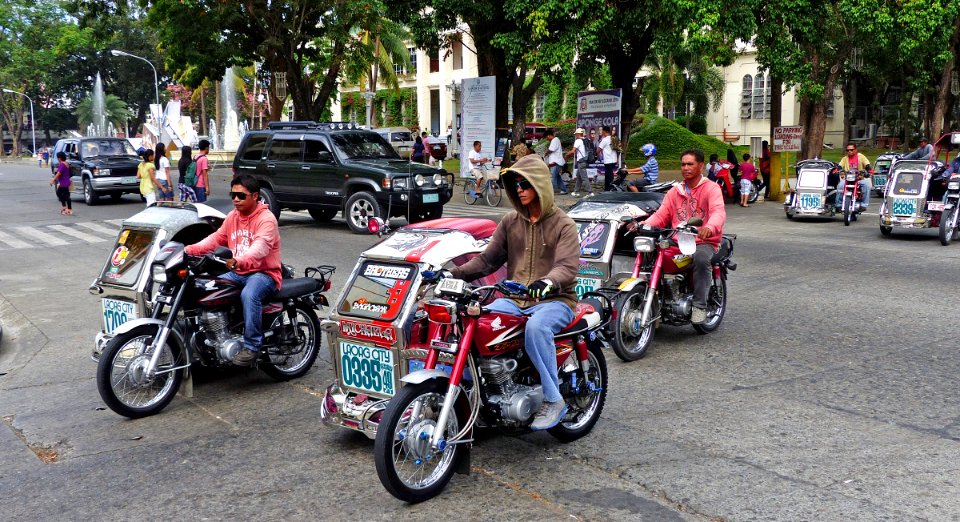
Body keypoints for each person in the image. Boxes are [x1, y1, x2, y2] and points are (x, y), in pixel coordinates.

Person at [449, 155, 579, 430]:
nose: (518, 188)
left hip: (555, 300)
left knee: (536, 329)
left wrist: (548, 282)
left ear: (541, 185)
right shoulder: (510, 221)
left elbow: (567, 266)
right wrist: (452, 273)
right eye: (514, 183)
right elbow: (486, 261)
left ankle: (553, 399)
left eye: (524, 183)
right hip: (514, 300)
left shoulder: (563, 224)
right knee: (477, 322)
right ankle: (481, 392)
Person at [184, 174, 282, 365]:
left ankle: (252, 346)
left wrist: (240, 260)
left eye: (241, 195)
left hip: (264, 273)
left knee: (249, 295)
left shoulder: (266, 219)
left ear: (254, 196)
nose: (236, 199)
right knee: (206, 288)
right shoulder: (233, 217)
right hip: (238, 272)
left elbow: (260, 247)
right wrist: (188, 249)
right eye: (233, 195)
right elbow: (215, 239)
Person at [641, 150, 725, 324]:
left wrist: (709, 227)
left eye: (690, 164)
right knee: (652, 254)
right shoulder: (674, 191)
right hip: (677, 239)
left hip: (703, 240)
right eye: (683, 164)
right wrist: (644, 225)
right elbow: (661, 214)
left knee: (701, 260)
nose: (685, 168)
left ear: (701, 166)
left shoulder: (711, 188)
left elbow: (718, 212)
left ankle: (700, 306)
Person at [836, 142, 872, 211]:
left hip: (859, 178)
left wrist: (868, 171)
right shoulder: (844, 159)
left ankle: (863, 205)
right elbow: (840, 166)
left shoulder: (861, 157)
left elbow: (867, 165)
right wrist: (840, 170)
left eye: (851, 150)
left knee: (867, 185)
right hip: (848, 178)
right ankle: (839, 204)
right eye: (848, 150)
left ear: (856, 150)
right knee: (840, 186)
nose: (849, 151)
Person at [565, 128, 592, 197]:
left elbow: (573, 151)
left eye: (576, 134)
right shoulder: (587, 140)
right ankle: (575, 191)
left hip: (581, 161)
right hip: (585, 160)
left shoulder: (578, 141)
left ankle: (590, 192)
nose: (575, 135)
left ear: (578, 134)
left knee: (584, 177)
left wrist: (567, 154)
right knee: (579, 177)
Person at [543, 129, 567, 194]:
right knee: (557, 176)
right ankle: (564, 189)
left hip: (556, 162)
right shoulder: (556, 140)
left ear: (548, 136)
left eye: (546, 138)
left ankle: (553, 190)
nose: (547, 139)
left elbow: (551, 149)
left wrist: (546, 153)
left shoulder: (554, 140)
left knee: (553, 177)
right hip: (556, 162)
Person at [50, 151, 72, 215]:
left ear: (59, 158)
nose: (57, 159)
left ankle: (69, 209)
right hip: (65, 182)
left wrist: (53, 180)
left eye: (57, 158)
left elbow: (59, 173)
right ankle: (64, 207)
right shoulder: (66, 163)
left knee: (66, 196)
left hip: (64, 182)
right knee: (59, 193)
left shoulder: (62, 164)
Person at [598, 126, 618, 191]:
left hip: (608, 160)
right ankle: (610, 188)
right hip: (614, 160)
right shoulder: (614, 138)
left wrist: (596, 153)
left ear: (604, 131)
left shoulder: (605, 140)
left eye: (602, 131)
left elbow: (598, 150)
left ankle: (608, 189)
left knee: (608, 176)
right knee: (610, 175)